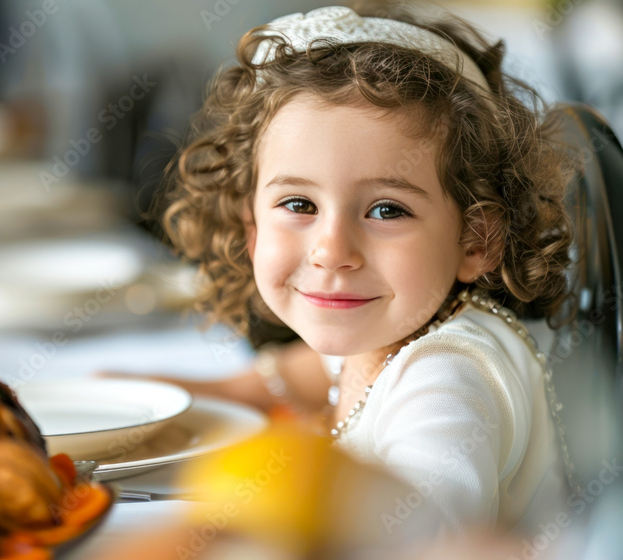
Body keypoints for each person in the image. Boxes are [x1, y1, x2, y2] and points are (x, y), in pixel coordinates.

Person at [151, 1, 577, 539]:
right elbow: (290, 377)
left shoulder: (449, 376)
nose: (332, 250)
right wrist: (141, 399)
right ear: (251, 224)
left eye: (386, 210)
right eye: (300, 205)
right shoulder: (382, 329)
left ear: (476, 240)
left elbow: (424, 529)